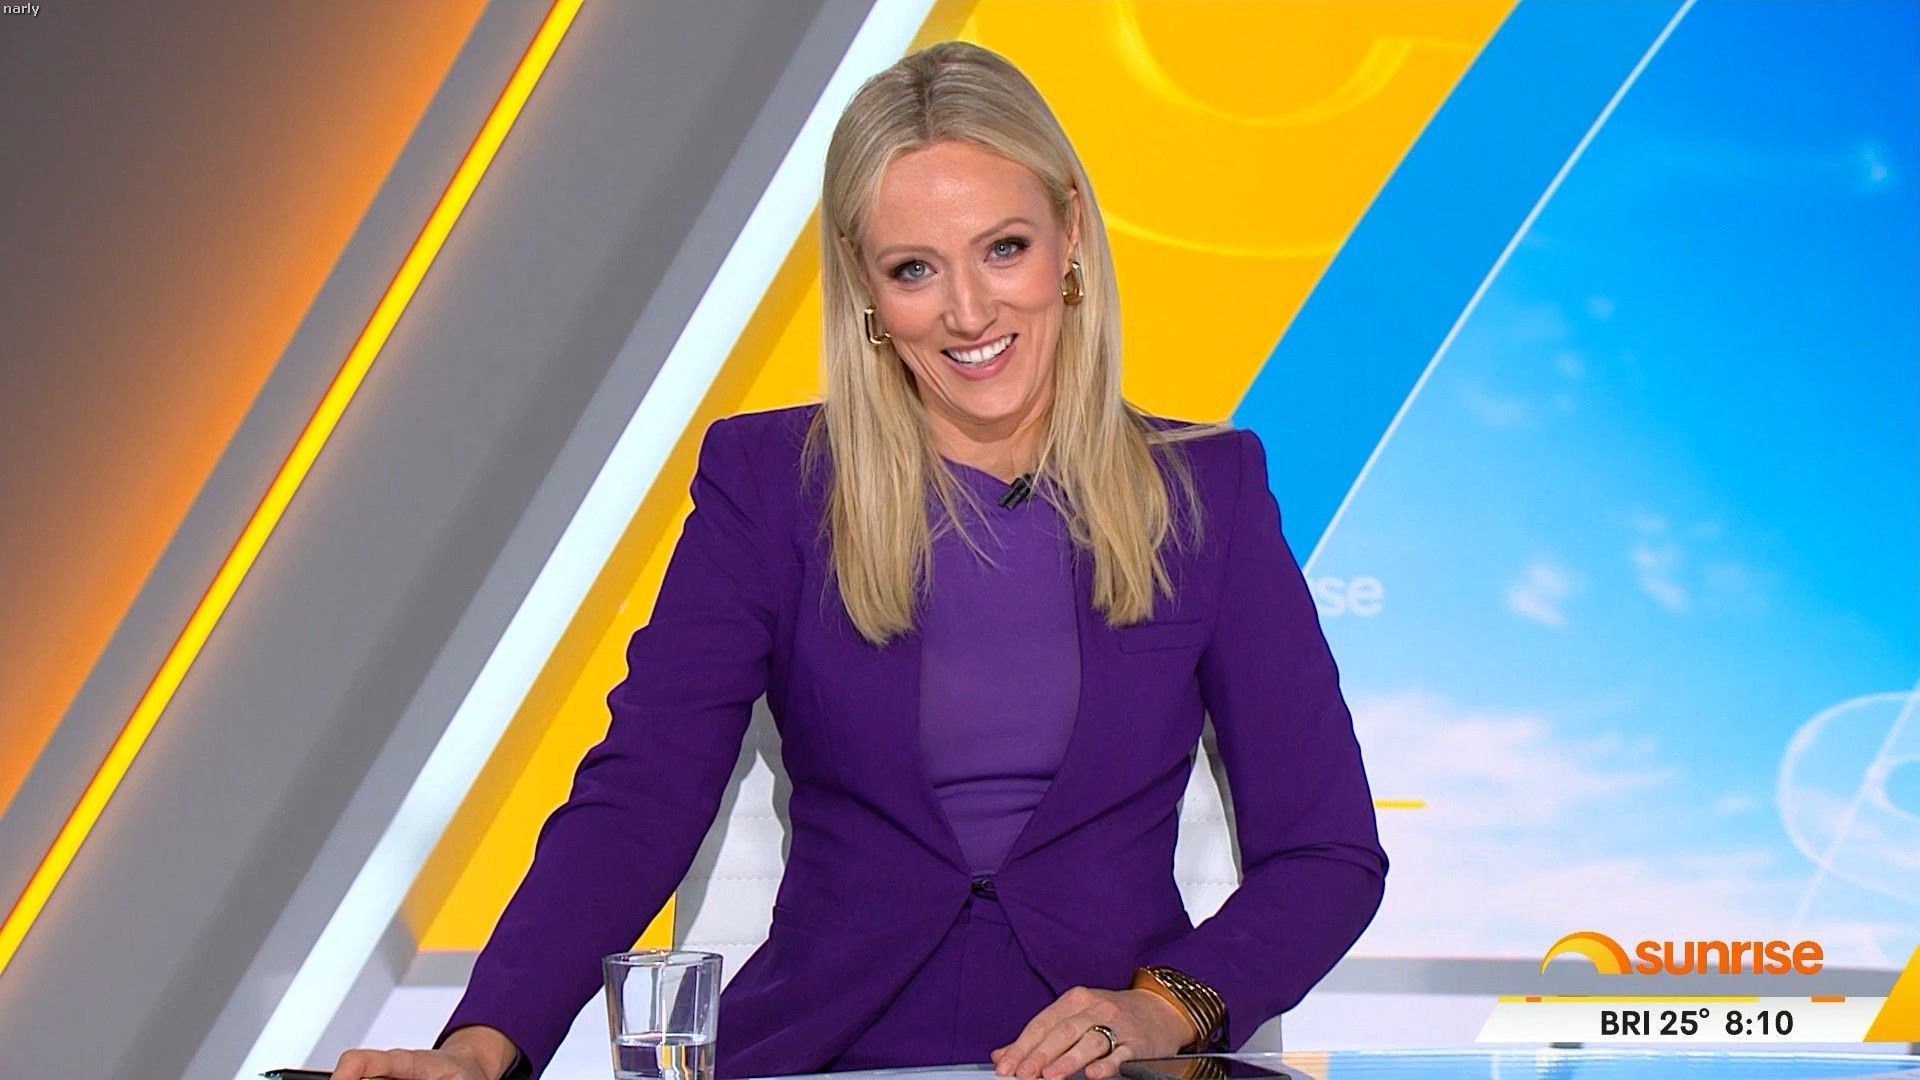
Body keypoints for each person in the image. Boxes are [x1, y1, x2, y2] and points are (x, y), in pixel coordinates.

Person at [329, 40, 1386, 1080]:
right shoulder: (768, 483)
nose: (969, 312)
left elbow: (1326, 852)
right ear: (866, 289)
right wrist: (481, 1044)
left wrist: (1162, 1008)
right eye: (915, 269)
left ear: (1070, 233)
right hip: (824, 1054)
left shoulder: (1208, 489)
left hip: (1105, 1067)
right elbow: (643, 792)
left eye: (1004, 248)